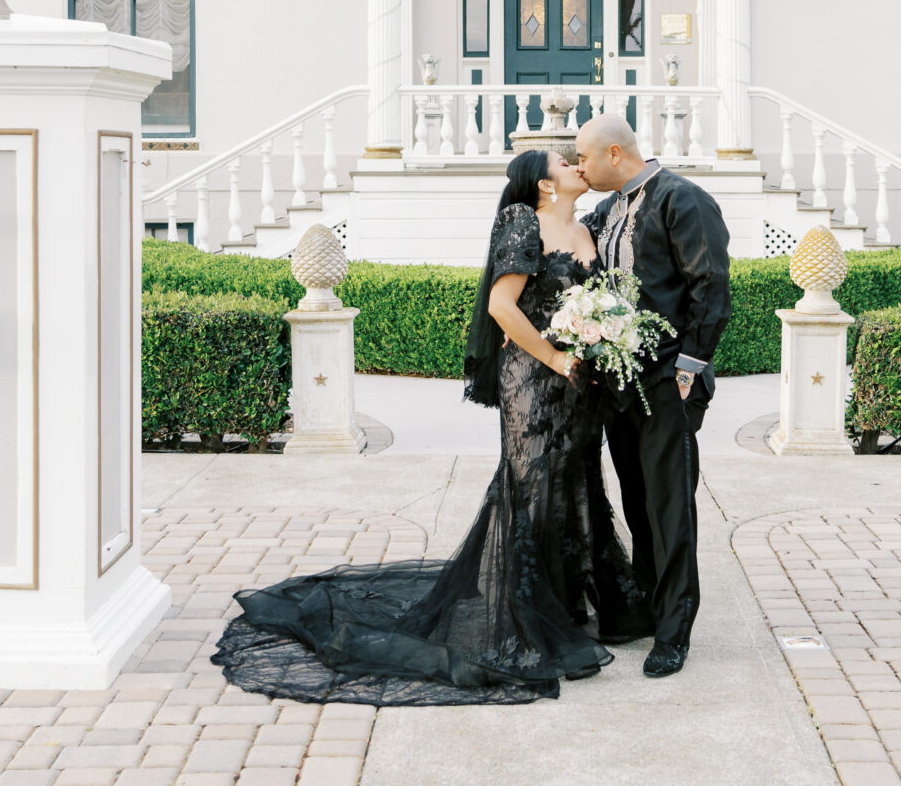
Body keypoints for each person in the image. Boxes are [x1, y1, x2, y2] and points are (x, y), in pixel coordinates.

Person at [211, 149, 649, 705]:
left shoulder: (587, 228)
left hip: (578, 386)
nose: (577, 166)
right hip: (535, 380)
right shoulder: (524, 221)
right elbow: (501, 305)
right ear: (543, 183)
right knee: (533, 485)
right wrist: (556, 358)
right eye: (566, 162)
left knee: (577, 479)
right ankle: (526, 613)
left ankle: (569, 604)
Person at [576, 111, 730, 679]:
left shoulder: (681, 200)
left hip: (668, 383)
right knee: (638, 502)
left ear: (614, 154)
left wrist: (687, 372)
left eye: (584, 157)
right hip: (619, 382)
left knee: (670, 507)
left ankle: (674, 629)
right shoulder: (605, 210)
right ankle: (645, 606)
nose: (579, 167)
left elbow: (709, 287)